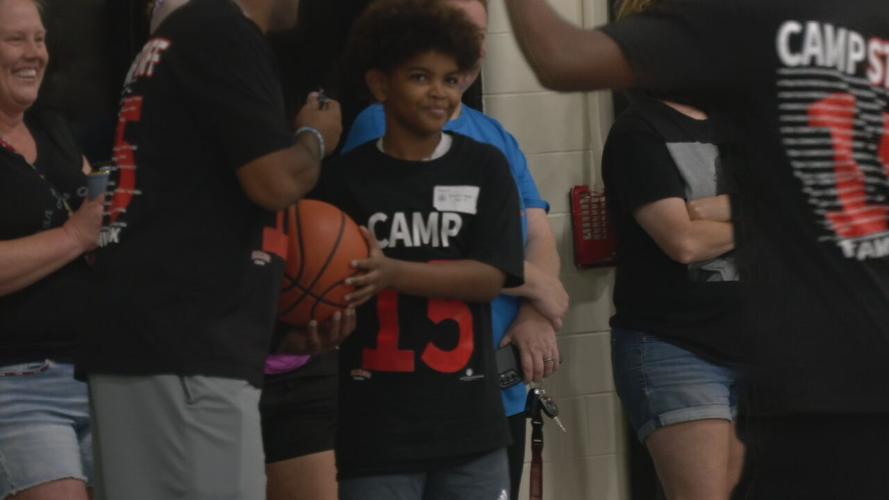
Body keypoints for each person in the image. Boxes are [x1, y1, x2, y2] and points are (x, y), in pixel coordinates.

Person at [504, 0, 889, 497]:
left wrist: (727, 209)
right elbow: (683, 240)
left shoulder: (766, 93)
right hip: (689, 345)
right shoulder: (645, 128)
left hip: (801, 345)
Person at [77, 0, 350, 498]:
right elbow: (273, 181)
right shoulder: (223, 32)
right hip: (187, 347)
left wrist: (277, 331)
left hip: (152, 338)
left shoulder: (182, 37)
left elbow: (193, 203)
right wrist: (314, 137)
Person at [341, 0, 566, 496]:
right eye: (459, 31)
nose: (470, 48)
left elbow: (533, 236)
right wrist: (529, 280)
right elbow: (427, 248)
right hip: (392, 403)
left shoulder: (489, 147)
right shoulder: (373, 140)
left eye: (479, 35)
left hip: (485, 394)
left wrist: (533, 310)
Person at [604, 88, 745, 499]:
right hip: (678, 344)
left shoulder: (746, 123)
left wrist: (718, 210)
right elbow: (684, 241)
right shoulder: (639, 131)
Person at [0, 0, 104, 499]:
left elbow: (99, 214)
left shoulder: (54, 128)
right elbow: (82, 229)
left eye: (39, 38)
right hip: (16, 382)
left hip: (103, 375)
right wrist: (75, 237)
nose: (34, 53)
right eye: (15, 39)